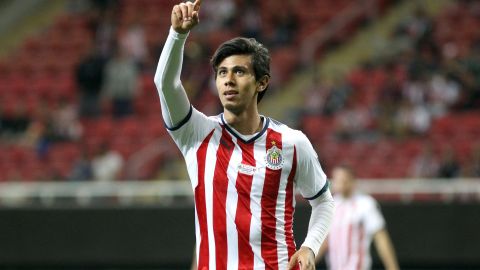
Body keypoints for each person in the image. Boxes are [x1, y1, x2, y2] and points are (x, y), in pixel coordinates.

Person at [153, 1, 334, 269]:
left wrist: (310, 246)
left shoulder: (292, 143)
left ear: (262, 82)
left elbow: (323, 202)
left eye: (239, 71)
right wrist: (177, 35)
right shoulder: (197, 134)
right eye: (222, 73)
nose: (228, 80)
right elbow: (165, 84)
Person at [316, 165, 399, 270]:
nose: (340, 183)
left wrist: (392, 267)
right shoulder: (331, 205)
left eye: (344, 180)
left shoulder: (365, 204)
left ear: (352, 181)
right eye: (337, 180)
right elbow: (325, 241)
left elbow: (381, 239)